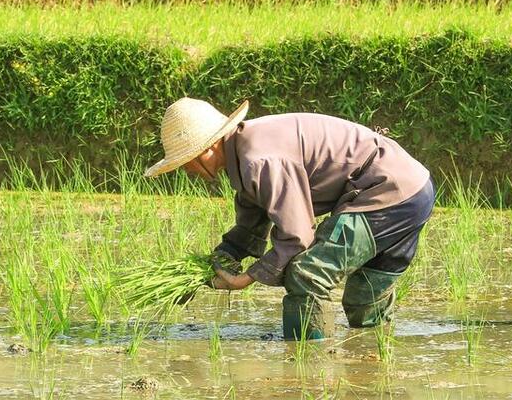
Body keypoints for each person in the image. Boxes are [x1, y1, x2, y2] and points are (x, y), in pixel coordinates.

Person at [144, 98, 434, 340]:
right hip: (413, 187)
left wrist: (246, 279)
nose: (186, 172)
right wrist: (222, 258)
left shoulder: (258, 160)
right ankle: (374, 363)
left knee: (307, 274)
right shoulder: (246, 149)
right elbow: (253, 220)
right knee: (366, 295)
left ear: (205, 151)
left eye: (185, 163)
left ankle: (306, 369)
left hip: (388, 192)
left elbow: (297, 236)